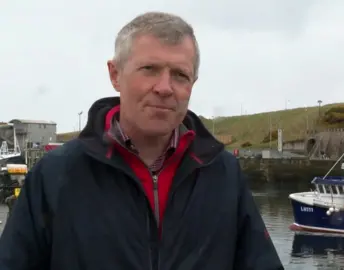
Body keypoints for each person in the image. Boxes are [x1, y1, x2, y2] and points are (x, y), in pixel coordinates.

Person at [0, 12, 283, 270]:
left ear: (192, 84)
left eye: (180, 75)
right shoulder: (54, 176)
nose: (164, 87)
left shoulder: (223, 173)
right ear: (115, 75)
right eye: (149, 69)